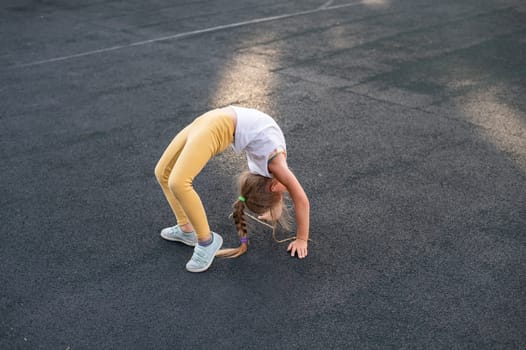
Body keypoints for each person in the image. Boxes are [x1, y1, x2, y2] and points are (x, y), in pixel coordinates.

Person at [154, 105, 310, 272]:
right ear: (273, 187)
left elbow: (278, 190)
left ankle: (205, 241)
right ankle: (187, 230)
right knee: (163, 173)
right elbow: (301, 200)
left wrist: (275, 208)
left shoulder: (264, 172)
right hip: (214, 122)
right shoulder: (276, 166)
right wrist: (302, 239)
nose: (285, 189)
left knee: (177, 182)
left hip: (215, 120)